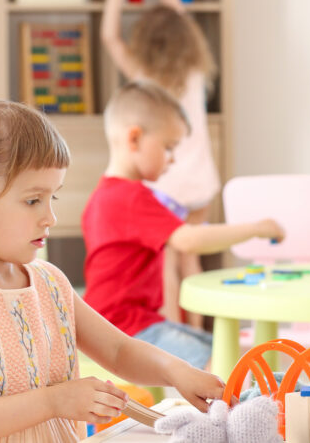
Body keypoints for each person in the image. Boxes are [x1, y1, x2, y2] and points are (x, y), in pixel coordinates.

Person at [0, 100, 225, 442]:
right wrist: (54, 402)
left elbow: (118, 351)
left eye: (52, 198)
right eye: (32, 200)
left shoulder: (49, 283)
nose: (49, 218)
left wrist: (177, 371)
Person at [82, 80, 284, 370]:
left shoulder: (104, 195)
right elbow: (189, 240)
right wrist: (256, 228)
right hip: (124, 330)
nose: (173, 159)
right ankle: (275, 403)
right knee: (223, 366)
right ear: (134, 139)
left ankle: (285, 396)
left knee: (226, 353)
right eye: (168, 147)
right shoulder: (129, 197)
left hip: (127, 324)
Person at [101, 0, 218, 326]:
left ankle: (172, 332)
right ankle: (199, 335)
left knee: (164, 262)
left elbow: (110, 38)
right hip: (200, 183)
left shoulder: (144, 76)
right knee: (191, 260)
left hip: (165, 185)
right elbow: (179, 15)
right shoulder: (195, 71)